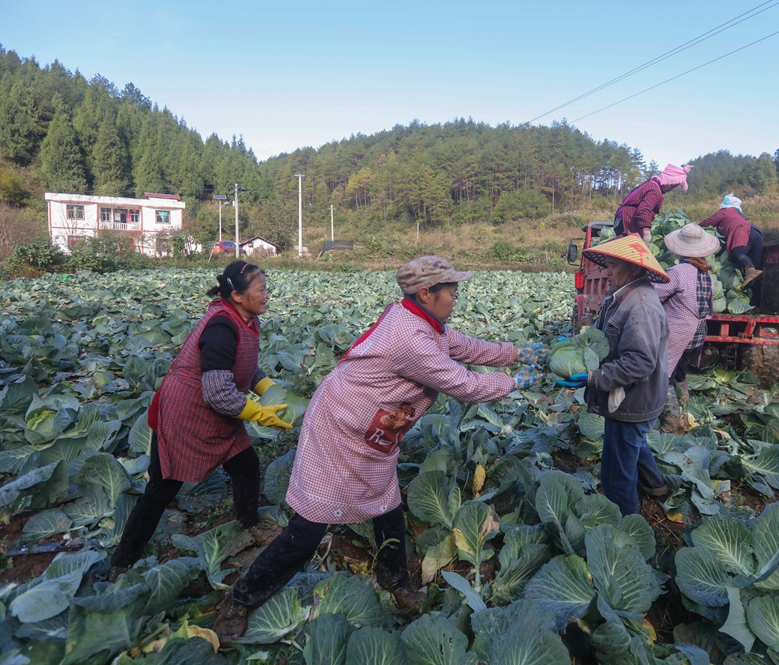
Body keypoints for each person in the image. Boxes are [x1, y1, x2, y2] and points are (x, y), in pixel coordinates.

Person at [212, 256, 544, 645]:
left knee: (387, 507)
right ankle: (241, 598)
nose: (456, 297)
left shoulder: (421, 321)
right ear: (426, 293)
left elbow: (464, 346)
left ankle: (394, 579)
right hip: (339, 427)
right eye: (451, 291)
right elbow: (464, 385)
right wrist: (514, 382)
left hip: (373, 430)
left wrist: (515, 353)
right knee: (309, 526)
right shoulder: (409, 337)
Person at [110, 261, 292, 575]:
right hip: (186, 416)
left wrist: (270, 391)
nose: (266, 295)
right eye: (260, 290)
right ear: (237, 295)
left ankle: (249, 525)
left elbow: (246, 367)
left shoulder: (247, 320)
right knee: (161, 490)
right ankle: (122, 562)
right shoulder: (222, 326)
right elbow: (218, 392)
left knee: (246, 466)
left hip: (219, 417)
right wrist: (258, 413)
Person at [567, 237, 671, 515]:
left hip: (632, 400)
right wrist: (574, 348)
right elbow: (602, 336)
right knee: (633, 442)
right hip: (636, 397)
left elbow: (639, 362)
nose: (607, 272)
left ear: (634, 269)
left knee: (616, 472)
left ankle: (624, 528)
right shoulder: (624, 296)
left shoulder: (641, 307)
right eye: (608, 265)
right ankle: (656, 485)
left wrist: (593, 378)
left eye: (613, 266)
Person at [654, 224, 719, 428]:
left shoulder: (678, 272)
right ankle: (686, 409)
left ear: (677, 249)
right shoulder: (708, 275)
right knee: (679, 368)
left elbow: (655, 295)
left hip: (676, 331)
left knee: (664, 373)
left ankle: (671, 421)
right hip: (697, 332)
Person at [699, 194, 765, 289]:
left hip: (743, 231)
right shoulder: (739, 214)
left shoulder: (725, 211)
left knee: (736, 253)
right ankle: (755, 299)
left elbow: (708, 222)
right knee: (756, 272)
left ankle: (750, 269)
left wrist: (694, 228)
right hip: (757, 232)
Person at [613, 164, 693, 243]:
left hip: (621, 218)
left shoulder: (652, 183)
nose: (671, 189)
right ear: (668, 180)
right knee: (628, 250)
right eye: (672, 186)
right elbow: (644, 210)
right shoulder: (655, 190)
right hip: (627, 220)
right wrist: (646, 232)